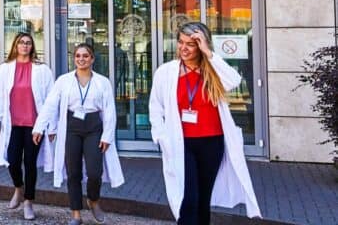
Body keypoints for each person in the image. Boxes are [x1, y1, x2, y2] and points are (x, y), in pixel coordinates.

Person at [149, 22, 261, 224]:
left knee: (203, 199)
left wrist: (208, 54)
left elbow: (234, 80)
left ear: (201, 45)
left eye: (190, 44)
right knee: (188, 198)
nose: (183, 48)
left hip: (212, 142)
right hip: (181, 143)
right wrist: (159, 136)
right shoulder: (166, 72)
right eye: (180, 42)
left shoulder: (213, 72)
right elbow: (155, 107)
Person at [33, 44, 123, 225]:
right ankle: (75, 213)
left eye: (85, 56)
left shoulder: (102, 82)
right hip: (71, 127)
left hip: (94, 128)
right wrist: (39, 127)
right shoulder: (63, 80)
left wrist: (107, 136)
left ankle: (93, 200)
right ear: (74, 59)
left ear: (92, 59)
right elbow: (50, 104)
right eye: (78, 56)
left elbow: (109, 110)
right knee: (73, 172)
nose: (81, 59)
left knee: (94, 172)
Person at [0, 32, 55, 221]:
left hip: (35, 126)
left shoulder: (42, 69)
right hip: (13, 123)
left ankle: (28, 202)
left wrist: (50, 127)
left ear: (32, 46)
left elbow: (51, 99)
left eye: (28, 43)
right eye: (21, 43)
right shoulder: (5, 68)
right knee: (12, 160)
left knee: (30, 164)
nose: (25, 46)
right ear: (15, 46)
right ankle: (19, 188)